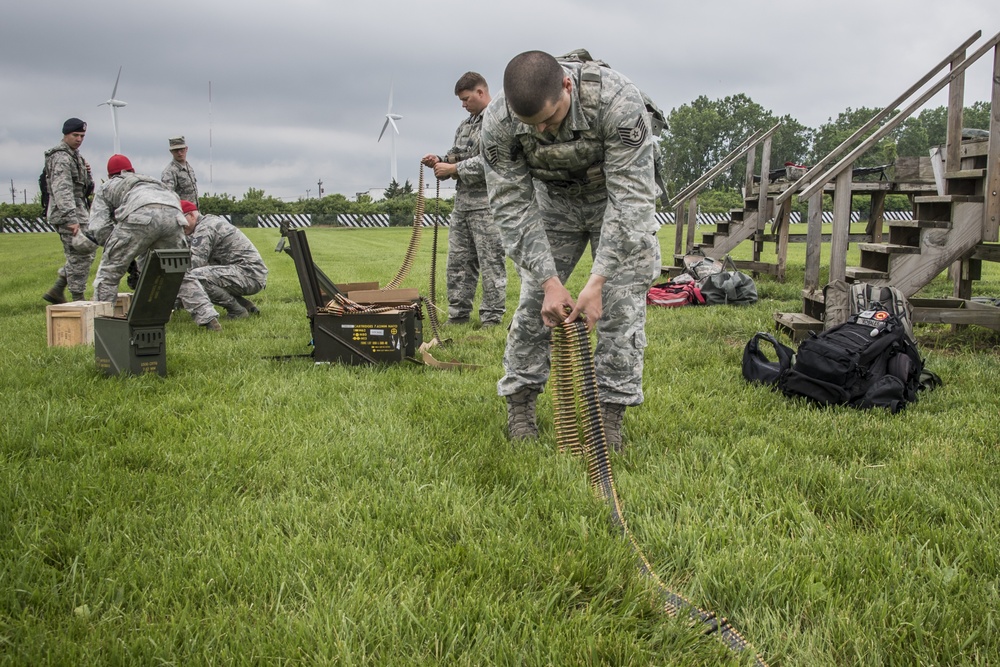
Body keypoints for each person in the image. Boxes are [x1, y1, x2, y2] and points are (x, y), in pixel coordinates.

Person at [481, 50, 662, 450]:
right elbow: (511, 205)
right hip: (554, 202)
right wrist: (548, 281)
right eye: (533, 125)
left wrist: (597, 281)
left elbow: (631, 202)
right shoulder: (496, 121)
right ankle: (521, 403)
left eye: (551, 118)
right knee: (535, 304)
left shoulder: (617, 101)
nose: (544, 131)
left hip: (613, 199)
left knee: (621, 306)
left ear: (568, 84)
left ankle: (610, 413)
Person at [77, 154, 222, 331]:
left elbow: (98, 227)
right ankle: (209, 319)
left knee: (109, 273)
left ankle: (101, 327)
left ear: (110, 176)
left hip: (140, 214)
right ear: (132, 171)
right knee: (179, 272)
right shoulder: (150, 181)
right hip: (174, 216)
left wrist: (119, 249)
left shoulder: (108, 186)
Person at [421, 72, 506, 327]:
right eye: (461, 100)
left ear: (481, 92)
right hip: (463, 205)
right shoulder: (465, 125)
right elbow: (456, 156)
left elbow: (494, 161)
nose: (463, 104)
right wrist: (439, 161)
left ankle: (492, 317)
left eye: (466, 98)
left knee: (491, 262)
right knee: (458, 262)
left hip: (489, 205)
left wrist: (454, 170)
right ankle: (458, 314)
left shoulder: (500, 121)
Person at [180, 200, 267, 318]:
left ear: (190, 215)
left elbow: (195, 263)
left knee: (195, 276)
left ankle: (237, 311)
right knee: (205, 274)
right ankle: (245, 305)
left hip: (249, 274)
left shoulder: (205, 228)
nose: (179, 227)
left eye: (180, 222)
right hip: (249, 272)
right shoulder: (205, 223)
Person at [42, 117, 96, 303]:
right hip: (68, 214)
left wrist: (87, 172)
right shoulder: (62, 157)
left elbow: (85, 187)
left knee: (85, 253)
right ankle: (77, 299)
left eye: (82, 135)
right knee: (78, 255)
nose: (79, 139)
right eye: (76, 135)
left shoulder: (75, 156)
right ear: (66, 134)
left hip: (79, 211)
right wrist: (70, 218)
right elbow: (62, 189)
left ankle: (58, 289)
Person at [161, 136, 198, 205]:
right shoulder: (169, 172)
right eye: (176, 150)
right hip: (180, 212)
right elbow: (168, 197)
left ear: (186, 149)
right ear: (171, 151)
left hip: (193, 211)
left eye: (181, 149)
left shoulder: (189, 168)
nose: (179, 153)